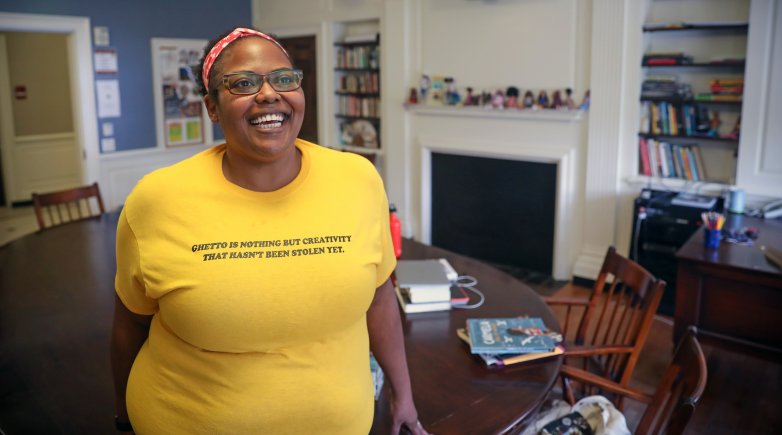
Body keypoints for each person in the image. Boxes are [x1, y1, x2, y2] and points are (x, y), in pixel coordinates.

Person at [111, 27, 429, 435]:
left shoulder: (359, 179)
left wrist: (403, 395)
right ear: (211, 107)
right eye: (243, 83)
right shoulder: (157, 200)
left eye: (283, 79)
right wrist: (122, 415)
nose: (268, 94)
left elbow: (380, 298)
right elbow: (128, 324)